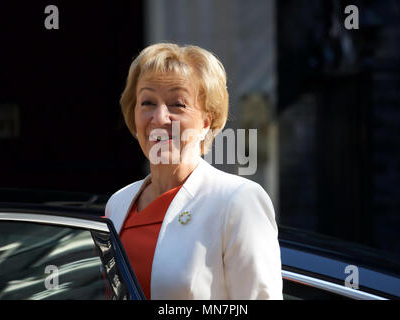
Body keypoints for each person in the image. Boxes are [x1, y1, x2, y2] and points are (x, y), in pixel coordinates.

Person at [105, 43, 283, 300]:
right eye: (147, 102)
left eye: (177, 104)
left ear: (206, 123)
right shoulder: (118, 204)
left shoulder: (238, 201)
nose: (160, 117)